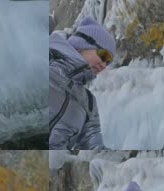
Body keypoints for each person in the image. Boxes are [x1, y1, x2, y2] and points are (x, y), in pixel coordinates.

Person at [49, 17, 115, 150]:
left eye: (108, 62)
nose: (103, 65)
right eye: (103, 55)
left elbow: (94, 149)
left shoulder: (89, 103)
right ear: (84, 43)